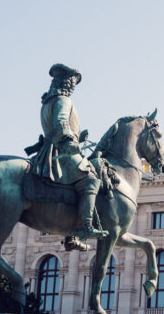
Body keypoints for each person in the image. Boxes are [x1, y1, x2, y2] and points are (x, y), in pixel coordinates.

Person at [28, 64, 108, 251]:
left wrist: (78, 137)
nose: (73, 87)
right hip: (59, 153)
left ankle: (70, 234)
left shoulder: (47, 102)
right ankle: (84, 226)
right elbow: (61, 122)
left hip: (48, 150)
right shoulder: (63, 101)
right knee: (91, 179)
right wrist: (70, 139)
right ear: (66, 83)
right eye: (72, 83)